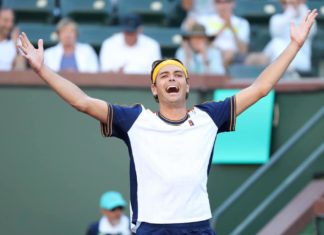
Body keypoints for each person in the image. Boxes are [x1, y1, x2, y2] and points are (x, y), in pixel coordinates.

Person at [17, 9, 317, 234]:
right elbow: (81, 102)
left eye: (178, 75)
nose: (171, 78)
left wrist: (294, 46)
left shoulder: (209, 116)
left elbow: (261, 88)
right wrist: (43, 70)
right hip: (152, 227)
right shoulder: (134, 120)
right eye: (164, 76)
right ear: (154, 89)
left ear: (186, 86)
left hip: (197, 226)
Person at [245, 0, 317, 74]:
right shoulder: (277, 18)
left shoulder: (306, 19)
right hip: (276, 58)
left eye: (293, 3)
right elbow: (275, 31)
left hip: (301, 60)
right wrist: (290, 14)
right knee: (274, 44)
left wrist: (301, 8)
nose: (289, 6)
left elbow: (312, 30)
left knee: (276, 45)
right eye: (285, 3)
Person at [197, 0, 250, 68]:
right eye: (219, 2)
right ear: (214, 4)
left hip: (236, 56)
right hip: (211, 54)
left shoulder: (242, 23)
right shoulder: (204, 20)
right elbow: (204, 44)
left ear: (233, 3)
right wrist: (223, 27)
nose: (223, 5)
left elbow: (243, 50)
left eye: (227, 1)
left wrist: (231, 28)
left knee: (257, 59)